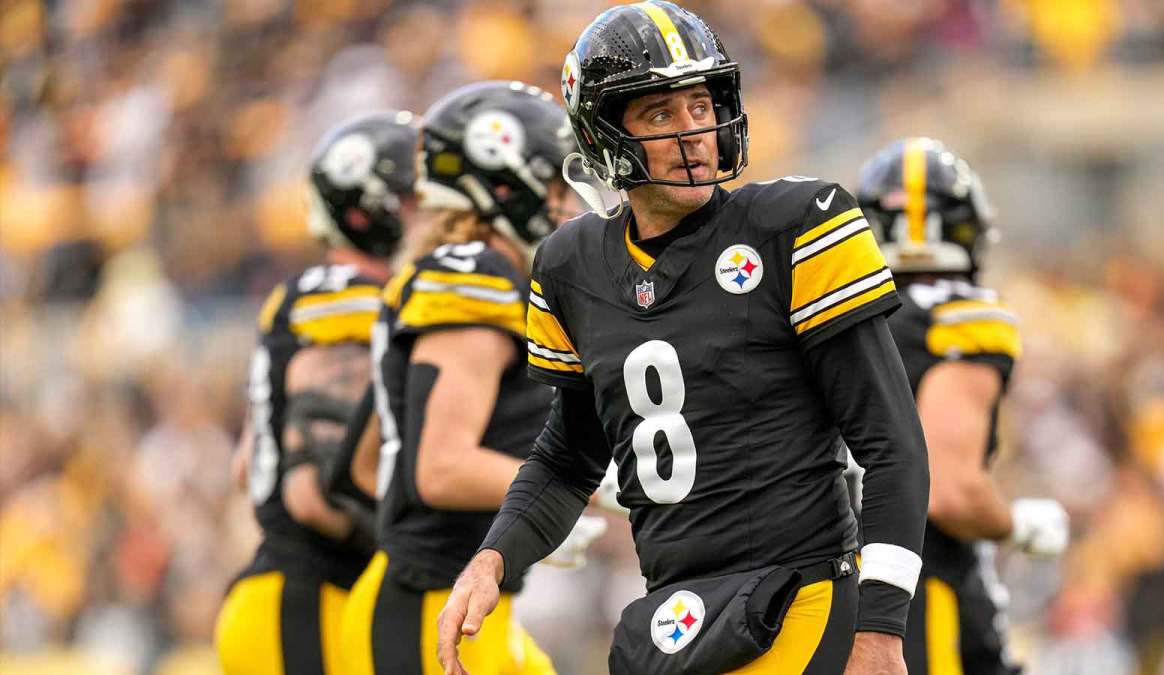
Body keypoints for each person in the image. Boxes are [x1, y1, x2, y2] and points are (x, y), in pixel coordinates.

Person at [438, 3, 930, 674]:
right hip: (674, 615)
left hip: (802, 596)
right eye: (661, 114)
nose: (693, 131)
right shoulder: (569, 265)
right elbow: (568, 456)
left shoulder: (794, 225)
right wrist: (492, 559)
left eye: (701, 105)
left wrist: (880, 629)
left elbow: (891, 441)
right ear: (605, 134)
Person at [338, 80, 601, 675]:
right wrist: (575, 488)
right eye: (557, 185)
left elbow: (364, 464)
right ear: (506, 183)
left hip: (441, 600)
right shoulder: (474, 277)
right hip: (433, 603)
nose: (568, 202)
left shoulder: (444, 275)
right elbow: (441, 467)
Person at [215, 112, 419, 675]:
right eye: (417, 199)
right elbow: (316, 492)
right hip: (309, 602)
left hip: (294, 596)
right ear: (370, 209)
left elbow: (246, 464)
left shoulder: (298, 299)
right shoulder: (353, 301)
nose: (436, 216)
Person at [856, 137, 1069, 675]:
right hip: (921, 588)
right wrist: (1012, 525)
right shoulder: (964, 317)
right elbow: (947, 491)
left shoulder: (836, 317)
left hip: (833, 588)